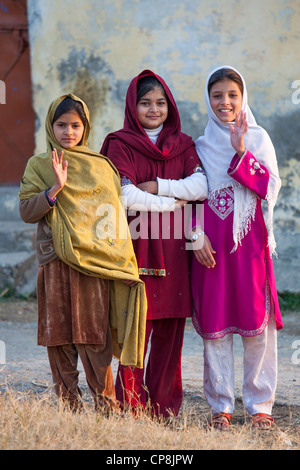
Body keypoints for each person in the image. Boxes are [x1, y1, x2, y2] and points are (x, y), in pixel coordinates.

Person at [19, 94, 147, 412]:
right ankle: (70, 409)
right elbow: (25, 211)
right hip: (54, 262)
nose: (68, 132)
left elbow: (115, 222)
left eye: (75, 125)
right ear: (51, 126)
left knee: (93, 335)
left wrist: (124, 265)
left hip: (94, 264)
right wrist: (54, 190)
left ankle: (106, 408)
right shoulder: (39, 165)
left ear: (85, 127)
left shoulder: (101, 168)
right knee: (58, 335)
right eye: (61, 125)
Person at [101, 70, 207, 418]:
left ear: (170, 107)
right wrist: (171, 202)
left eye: (160, 103)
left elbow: (201, 188)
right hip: (136, 246)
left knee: (170, 331)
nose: (153, 109)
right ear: (133, 106)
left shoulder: (183, 143)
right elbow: (124, 194)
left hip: (176, 249)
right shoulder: (120, 143)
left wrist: (157, 187)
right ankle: (130, 406)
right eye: (145, 103)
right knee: (136, 329)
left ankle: (163, 409)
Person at [191, 66, 283, 430]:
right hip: (209, 252)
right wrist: (194, 237)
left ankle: (260, 405)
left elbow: (268, 189)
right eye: (217, 96)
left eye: (232, 95)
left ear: (243, 97)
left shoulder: (258, 138)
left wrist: (240, 150)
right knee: (216, 326)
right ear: (208, 100)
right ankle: (221, 406)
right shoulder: (197, 146)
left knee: (257, 327)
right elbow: (191, 198)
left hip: (250, 249)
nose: (225, 102)